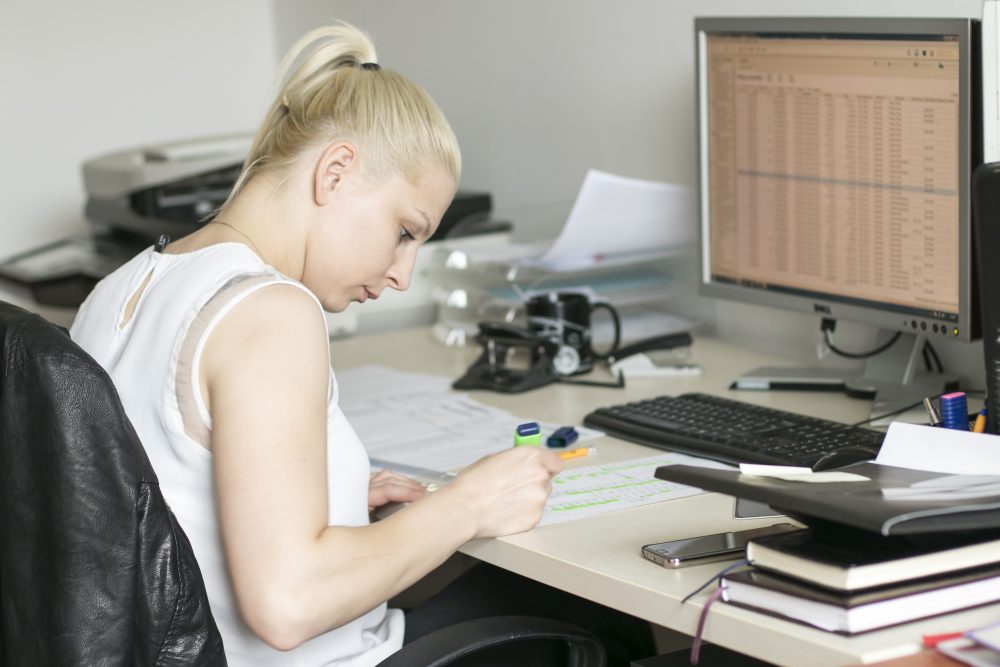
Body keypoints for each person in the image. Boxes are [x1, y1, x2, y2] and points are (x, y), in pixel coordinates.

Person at [71, 21, 651, 666]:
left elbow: (162, 490)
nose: (403, 274)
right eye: (405, 230)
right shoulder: (271, 310)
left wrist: (331, 495)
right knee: (612, 620)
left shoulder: (121, 287)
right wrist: (468, 504)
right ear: (337, 171)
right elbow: (288, 604)